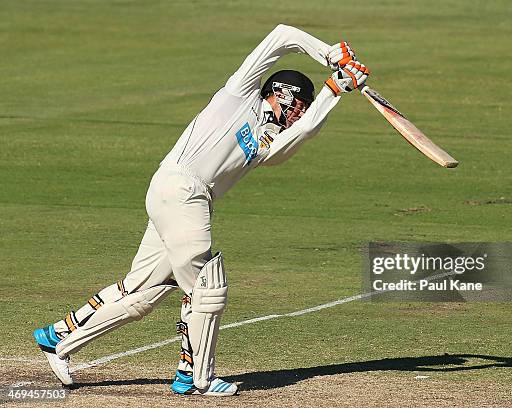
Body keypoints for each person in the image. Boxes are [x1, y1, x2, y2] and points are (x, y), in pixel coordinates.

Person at [33, 24, 369, 396]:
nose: (299, 115)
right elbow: (281, 36)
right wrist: (328, 53)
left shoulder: (266, 142)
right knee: (207, 287)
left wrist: (332, 91)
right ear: (283, 94)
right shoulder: (239, 93)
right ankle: (196, 378)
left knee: (143, 289)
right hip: (180, 187)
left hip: (184, 199)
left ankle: (58, 336)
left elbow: (298, 136)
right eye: (300, 106)